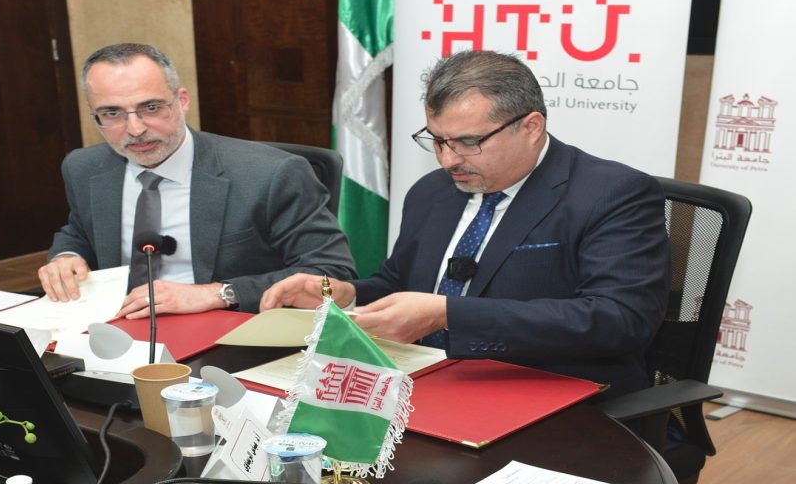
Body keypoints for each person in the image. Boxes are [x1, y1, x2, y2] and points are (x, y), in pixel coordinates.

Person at [261, 50, 670, 400]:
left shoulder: (613, 194)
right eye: (438, 140)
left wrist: (448, 314)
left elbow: (619, 320)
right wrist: (346, 295)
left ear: (531, 127)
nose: (448, 160)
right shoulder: (431, 192)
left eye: (469, 142)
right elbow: (400, 282)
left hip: (549, 392)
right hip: (424, 383)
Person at [40, 43, 356, 317]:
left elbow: (332, 274)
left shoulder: (272, 174)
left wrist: (218, 293)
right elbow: (80, 231)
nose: (135, 129)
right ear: (93, 114)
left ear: (182, 100)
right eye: (112, 113)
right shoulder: (83, 167)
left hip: (225, 333)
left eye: (151, 107)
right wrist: (67, 257)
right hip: (117, 325)